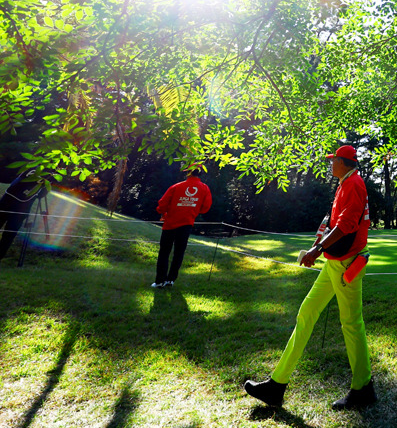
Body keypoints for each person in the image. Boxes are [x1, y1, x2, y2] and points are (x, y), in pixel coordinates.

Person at [244, 144, 375, 411]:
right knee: (306, 313)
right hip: (335, 262)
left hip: (346, 263)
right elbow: (336, 223)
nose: (331, 164)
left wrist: (317, 250)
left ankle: (363, 388)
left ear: (344, 162)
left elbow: (347, 224)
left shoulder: (354, 184)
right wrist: (320, 248)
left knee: (352, 323)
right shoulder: (346, 183)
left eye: (333, 160)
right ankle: (277, 385)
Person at [152, 167, 212, 288]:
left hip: (170, 225)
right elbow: (205, 207)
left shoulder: (176, 187)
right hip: (186, 225)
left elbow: (162, 205)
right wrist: (193, 210)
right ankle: (170, 280)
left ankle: (159, 282)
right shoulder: (205, 188)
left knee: (164, 253)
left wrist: (162, 211)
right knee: (179, 253)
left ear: (188, 173)